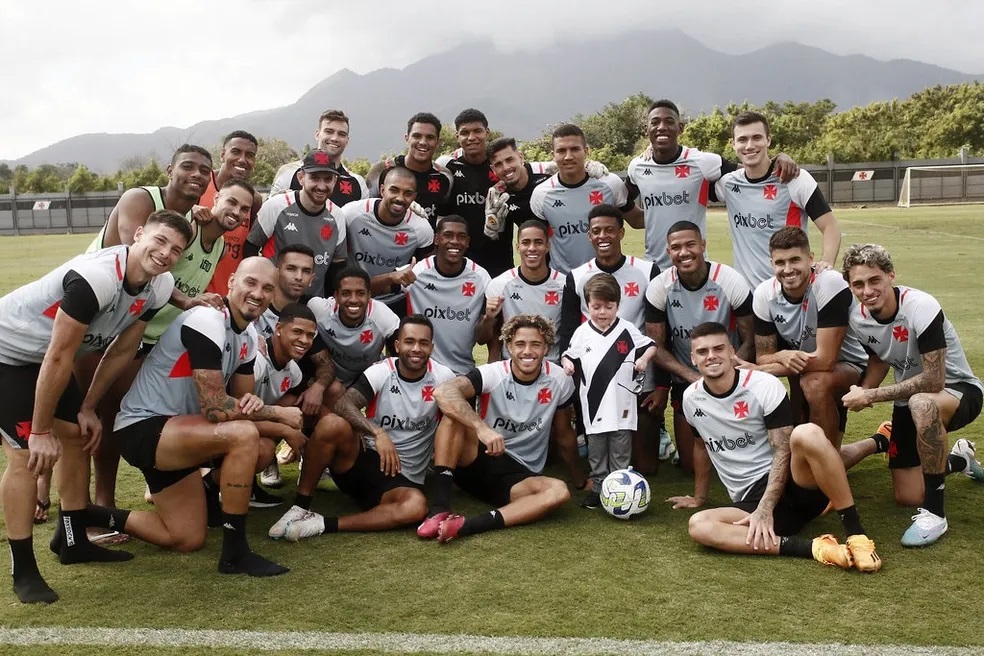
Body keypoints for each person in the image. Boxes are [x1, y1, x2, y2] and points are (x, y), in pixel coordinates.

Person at [0, 209, 193, 603]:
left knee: (77, 437)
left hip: (47, 358)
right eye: (159, 241)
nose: (165, 253)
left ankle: (71, 540)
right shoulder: (98, 277)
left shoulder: (160, 286)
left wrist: (88, 406)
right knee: (25, 457)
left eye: (175, 249)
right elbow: (58, 355)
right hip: (9, 353)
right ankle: (23, 566)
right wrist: (39, 431)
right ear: (138, 234)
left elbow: (123, 349)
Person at [82, 258, 302, 577]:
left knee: (186, 537)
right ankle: (235, 553)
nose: (258, 293)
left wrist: (273, 420)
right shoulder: (208, 320)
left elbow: (240, 405)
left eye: (268, 288)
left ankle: (85, 515)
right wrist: (280, 414)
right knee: (243, 436)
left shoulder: (247, 339)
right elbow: (216, 409)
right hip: (143, 428)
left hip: (178, 434)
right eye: (250, 283)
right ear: (231, 283)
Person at [667, 322, 882, 572]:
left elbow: (783, 450)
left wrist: (765, 508)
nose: (711, 356)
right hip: (749, 500)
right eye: (703, 352)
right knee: (699, 525)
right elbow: (701, 446)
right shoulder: (691, 399)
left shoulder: (762, 385)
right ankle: (818, 548)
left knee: (807, 434)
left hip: (794, 486)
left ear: (731, 352)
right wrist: (699, 497)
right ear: (693, 358)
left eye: (718, 348)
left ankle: (856, 535)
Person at [839, 243, 983, 547]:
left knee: (922, 403)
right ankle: (960, 460)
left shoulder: (920, 305)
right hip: (912, 401)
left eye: (874, 280)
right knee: (908, 496)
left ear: (891, 275)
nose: (867, 290)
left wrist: (872, 396)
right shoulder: (857, 316)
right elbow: (879, 357)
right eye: (858, 284)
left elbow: (934, 379)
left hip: (958, 391)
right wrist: (863, 388)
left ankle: (935, 515)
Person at [270, 315, 456, 540]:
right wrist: (376, 432)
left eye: (423, 343)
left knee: (415, 506)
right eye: (409, 341)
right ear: (397, 345)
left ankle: (321, 524)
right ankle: (299, 508)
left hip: (402, 481)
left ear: (432, 347)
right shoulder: (382, 370)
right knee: (331, 424)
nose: (416, 348)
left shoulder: (443, 377)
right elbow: (344, 403)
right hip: (362, 460)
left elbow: (455, 422)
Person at [417, 314, 575, 543]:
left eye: (536, 344)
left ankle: (465, 526)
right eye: (520, 344)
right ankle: (438, 508)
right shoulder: (494, 372)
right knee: (454, 418)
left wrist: (579, 479)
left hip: (518, 477)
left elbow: (564, 434)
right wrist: (481, 428)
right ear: (509, 345)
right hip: (479, 458)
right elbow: (443, 392)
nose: (527, 351)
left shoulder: (559, 379)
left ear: (547, 347)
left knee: (559, 491)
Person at [625, 100, 799, 270]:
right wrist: (653, 218)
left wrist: (779, 158)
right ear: (646, 129)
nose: (662, 127)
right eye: (655, 122)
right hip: (654, 268)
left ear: (681, 128)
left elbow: (752, 169)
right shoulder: (637, 166)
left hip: (695, 268)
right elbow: (623, 202)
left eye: (669, 121)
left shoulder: (703, 162)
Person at [557, 204, 663, 472]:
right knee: (598, 443)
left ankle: (659, 439)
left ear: (621, 233)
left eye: (609, 230)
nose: (603, 236)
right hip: (594, 375)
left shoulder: (647, 271)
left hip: (637, 377)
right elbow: (569, 332)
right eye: (596, 231)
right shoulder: (577, 276)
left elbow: (659, 331)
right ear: (589, 236)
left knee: (646, 466)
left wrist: (661, 385)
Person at [644, 220, 754, 471]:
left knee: (743, 455)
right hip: (688, 380)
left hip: (730, 375)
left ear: (703, 245)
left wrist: (728, 373)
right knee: (690, 466)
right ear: (668, 252)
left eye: (690, 244)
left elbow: (751, 338)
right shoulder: (660, 287)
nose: (684, 252)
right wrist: (693, 377)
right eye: (676, 247)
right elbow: (656, 346)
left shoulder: (729, 280)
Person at [751, 227, 867, 449]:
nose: (787, 269)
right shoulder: (764, 294)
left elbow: (825, 361)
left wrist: (758, 370)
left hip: (850, 367)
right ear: (771, 264)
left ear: (810, 258)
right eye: (780, 262)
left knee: (812, 382)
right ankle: (876, 442)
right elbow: (763, 356)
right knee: (802, 466)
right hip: (804, 369)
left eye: (795, 260)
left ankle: (825, 459)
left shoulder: (828, 283)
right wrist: (782, 355)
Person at [710, 111, 841, 288]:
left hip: (789, 290)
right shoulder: (729, 183)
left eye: (757, 138)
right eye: (742, 140)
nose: (749, 145)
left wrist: (826, 264)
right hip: (747, 296)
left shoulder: (795, 179)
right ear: (733, 144)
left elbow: (830, 226)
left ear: (768, 140)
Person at [562, 274, 657, 508]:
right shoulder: (583, 332)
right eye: (596, 307)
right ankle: (598, 488)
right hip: (594, 403)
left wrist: (643, 359)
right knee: (596, 448)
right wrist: (567, 364)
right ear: (587, 305)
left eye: (608, 306)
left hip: (622, 402)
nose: (602, 312)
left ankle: (620, 487)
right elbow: (568, 353)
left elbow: (651, 345)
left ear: (618, 305)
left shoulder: (626, 329)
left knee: (621, 446)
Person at [530, 124, 643, 275]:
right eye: (561, 151)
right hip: (563, 280)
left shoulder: (610, 183)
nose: (568, 156)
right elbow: (537, 242)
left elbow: (636, 220)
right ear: (553, 155)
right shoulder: (541, 194)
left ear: (587, 151)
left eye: (575, 149)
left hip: (607, 278)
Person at [246, 150, 347, 297]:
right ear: (301, 178)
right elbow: (250, 247)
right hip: (272, 300)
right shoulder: (276, 206)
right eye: (314, 178)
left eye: (327, 179)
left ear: (335, 181)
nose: (321, 186)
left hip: (312, 304)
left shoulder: (337, 215)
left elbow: (337, 266)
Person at [405, 215, 494, 374]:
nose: (454, 241)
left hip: (461, 374)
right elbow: (377, 292)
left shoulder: (480, 277)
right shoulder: (418, 272)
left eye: (461, 237)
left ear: (467, 242)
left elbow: (483, 339)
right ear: (437, 239)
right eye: (448, 235)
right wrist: (391, 277)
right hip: (422, 375)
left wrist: (488, 318)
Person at [340, 166, 434, 316]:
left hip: (393, 302)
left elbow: (425, 274)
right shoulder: (352, 214)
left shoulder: (421, 229)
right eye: (394, 190)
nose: (400, 198)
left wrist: (392, 285)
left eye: (408, 193)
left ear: (414, 197)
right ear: (382, 190)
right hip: (351, 299)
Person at [86, 144, 212, 252]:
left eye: (205, 171)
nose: (197, 174)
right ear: (170, 171)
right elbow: (137, 257)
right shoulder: (138, 199)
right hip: (91, 276)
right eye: (187, 167)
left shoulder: (189, 217)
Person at [195, 131, 266, 296]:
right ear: (222, 154)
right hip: (192, 288)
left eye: (249, 155)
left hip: (228, 293)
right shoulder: (200, 183)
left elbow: (250, 245)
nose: (242, 159)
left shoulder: (254, 200)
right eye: (236, 152)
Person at [485, 220, 565, 363]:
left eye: (538, 242)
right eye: (526, 242)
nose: (532, 248)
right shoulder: (500, 284)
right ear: (517, 247)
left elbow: (570, 333)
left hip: (552, 368)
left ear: (548, 246)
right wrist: (489, 318)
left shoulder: (564, 285)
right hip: (512, 367)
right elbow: (485, 338)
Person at [307, 266, 400, 389]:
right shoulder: (319, 309)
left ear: (369, 295)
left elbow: (401, 350)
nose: (353, 300)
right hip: (331, 380)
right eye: (346, 293)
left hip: (366, 381)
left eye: (360, 293)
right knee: (333, 390)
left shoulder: (382, 315)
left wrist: (384, 366)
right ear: (336, 296)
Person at [270, 109, 369, 206]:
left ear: (347, 141)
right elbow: (270, 213)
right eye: (329, 131)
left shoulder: (358, 183)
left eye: (341, 134)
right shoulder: (288, 173)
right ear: (317, 134)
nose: (334, 138)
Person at [366, 112, 453, 223]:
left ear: (438, 142)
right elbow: (367, 213)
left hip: (426, 239)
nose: (423, 142)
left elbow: (443, 218)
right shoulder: (381, 170)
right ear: (407, 138)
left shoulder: (445, 176)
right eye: (417, 136)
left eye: (430, 137)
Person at [483, 136, 554, 240]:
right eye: (498, 164)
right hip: (536, 252)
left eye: (509, 160)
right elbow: (496, 237)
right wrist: (491, 227)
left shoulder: (548, 171)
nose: (506, 167)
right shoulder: (498, 197)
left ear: (521, 157)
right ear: (493, 169)